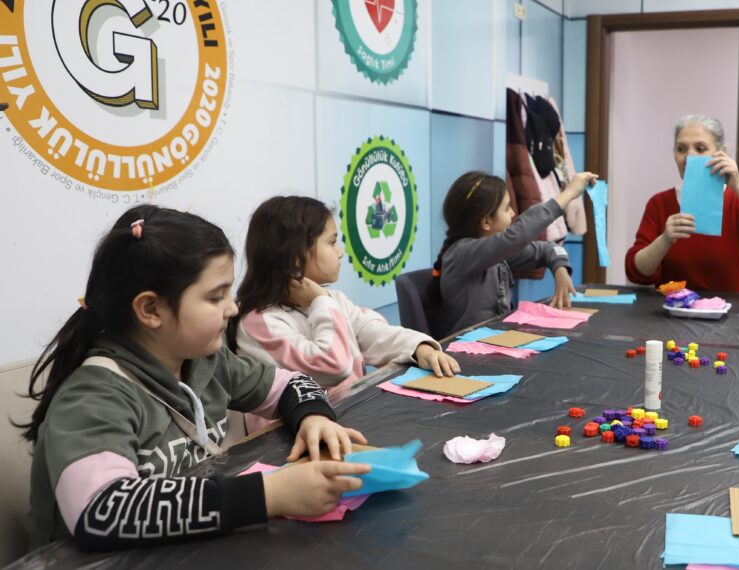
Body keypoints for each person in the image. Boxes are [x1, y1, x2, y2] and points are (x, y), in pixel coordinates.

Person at [23, 205, 370, 551]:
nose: (232, 308)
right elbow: (101, 510)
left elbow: (292, 384)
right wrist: (271, 494)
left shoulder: (207, 361)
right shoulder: (94, 396)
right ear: (151, 310)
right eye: (216, 296)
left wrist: (313, 416)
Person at [235, 196, 460, 397]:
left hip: (347, 417)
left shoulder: (330, 300)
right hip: (291, 438)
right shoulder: (260, 323)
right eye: (332, 242)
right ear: (296, 257)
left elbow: (373, 332)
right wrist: (320, 302)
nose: (340, 251)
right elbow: (333, 367)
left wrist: (419, 348)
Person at [625, 114, 739, 292]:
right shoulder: (659, 204)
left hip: (733, 315)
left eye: (700, 149)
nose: (689, 156)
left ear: (721, 153)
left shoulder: (737, 201)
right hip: (674, 313)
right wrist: (665, 239)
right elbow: (637, 271)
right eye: (681, 149)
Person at [431, 170, 597, 336]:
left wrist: (559, 268)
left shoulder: (493, 255)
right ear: (486, 221)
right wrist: (569, 194)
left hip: (496, 342)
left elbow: (547, 249)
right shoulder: (462, 254)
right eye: (506, 208)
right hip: (466, 352)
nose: (512, 213)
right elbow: (518, 236)